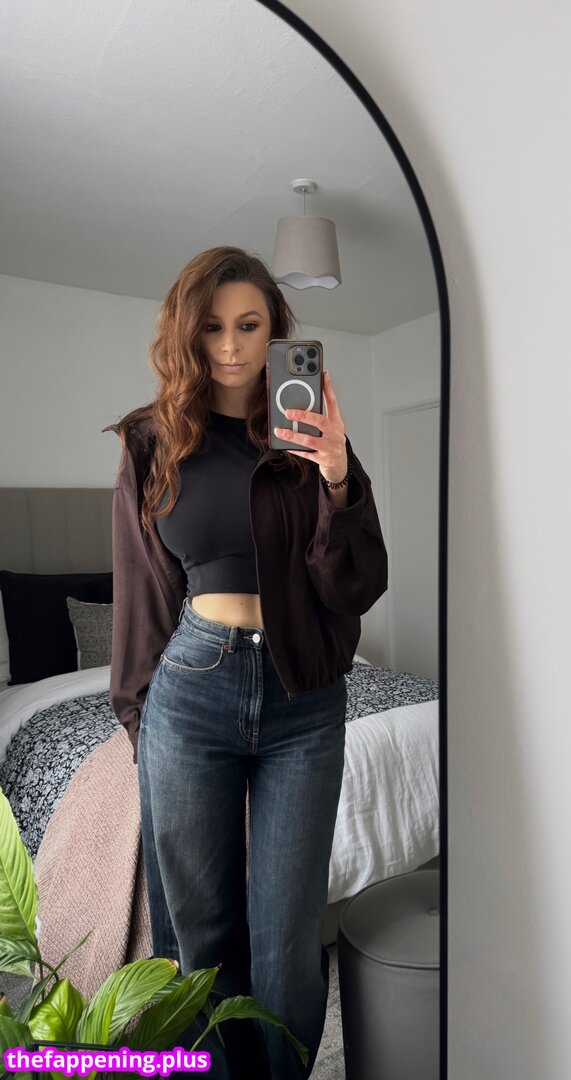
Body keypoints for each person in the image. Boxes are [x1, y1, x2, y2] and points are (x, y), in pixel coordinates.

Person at [103, 246, 388, 1079]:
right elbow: (142, 598)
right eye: (213, 327)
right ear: (187, 335)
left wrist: (337, 475)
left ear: (276, 331)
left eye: (250, 325)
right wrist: (140, 720)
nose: (230, 346)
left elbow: (357, 584)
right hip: (193, 689)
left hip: (306, 695)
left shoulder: (312, 437)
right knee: (200, 933)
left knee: (289, 935)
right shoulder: (152, 441)